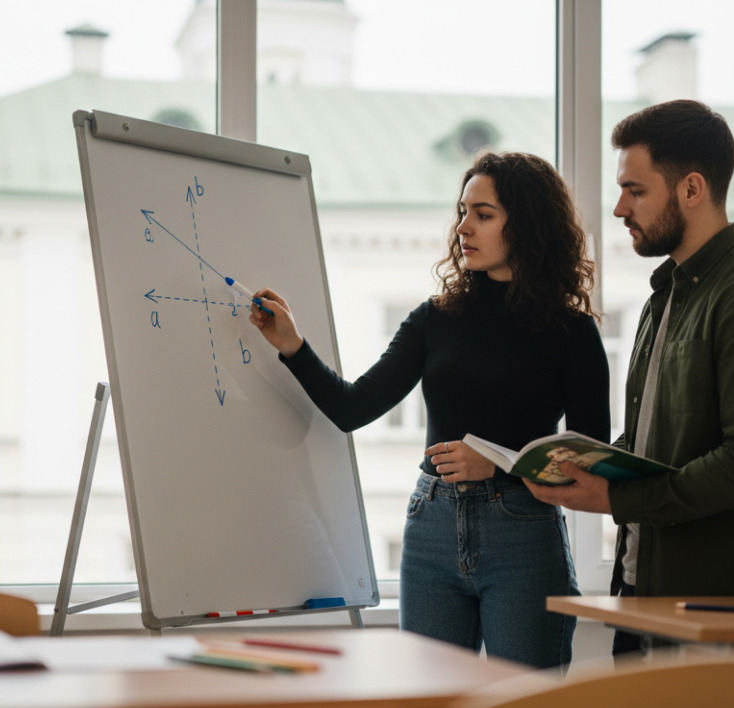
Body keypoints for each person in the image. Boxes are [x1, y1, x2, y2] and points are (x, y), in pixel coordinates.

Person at [248, 151, 610, 670]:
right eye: (462, 211)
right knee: (441, 704)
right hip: (431, 528)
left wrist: (499, 462)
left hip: (523, 536)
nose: (463, 227)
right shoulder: (434, 318)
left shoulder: (572, 333)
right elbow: (354, 409)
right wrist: (293, 346)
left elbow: (586, 459)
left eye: (483, 215)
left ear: (528, 224)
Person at [524, 100, 734, 654]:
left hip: (723, 612)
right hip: (644, 592)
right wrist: (579, 466)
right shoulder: (664, 299)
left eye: (635, 190)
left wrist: (617, 499)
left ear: (691, 189)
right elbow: (654, 448)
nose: (617, 208)